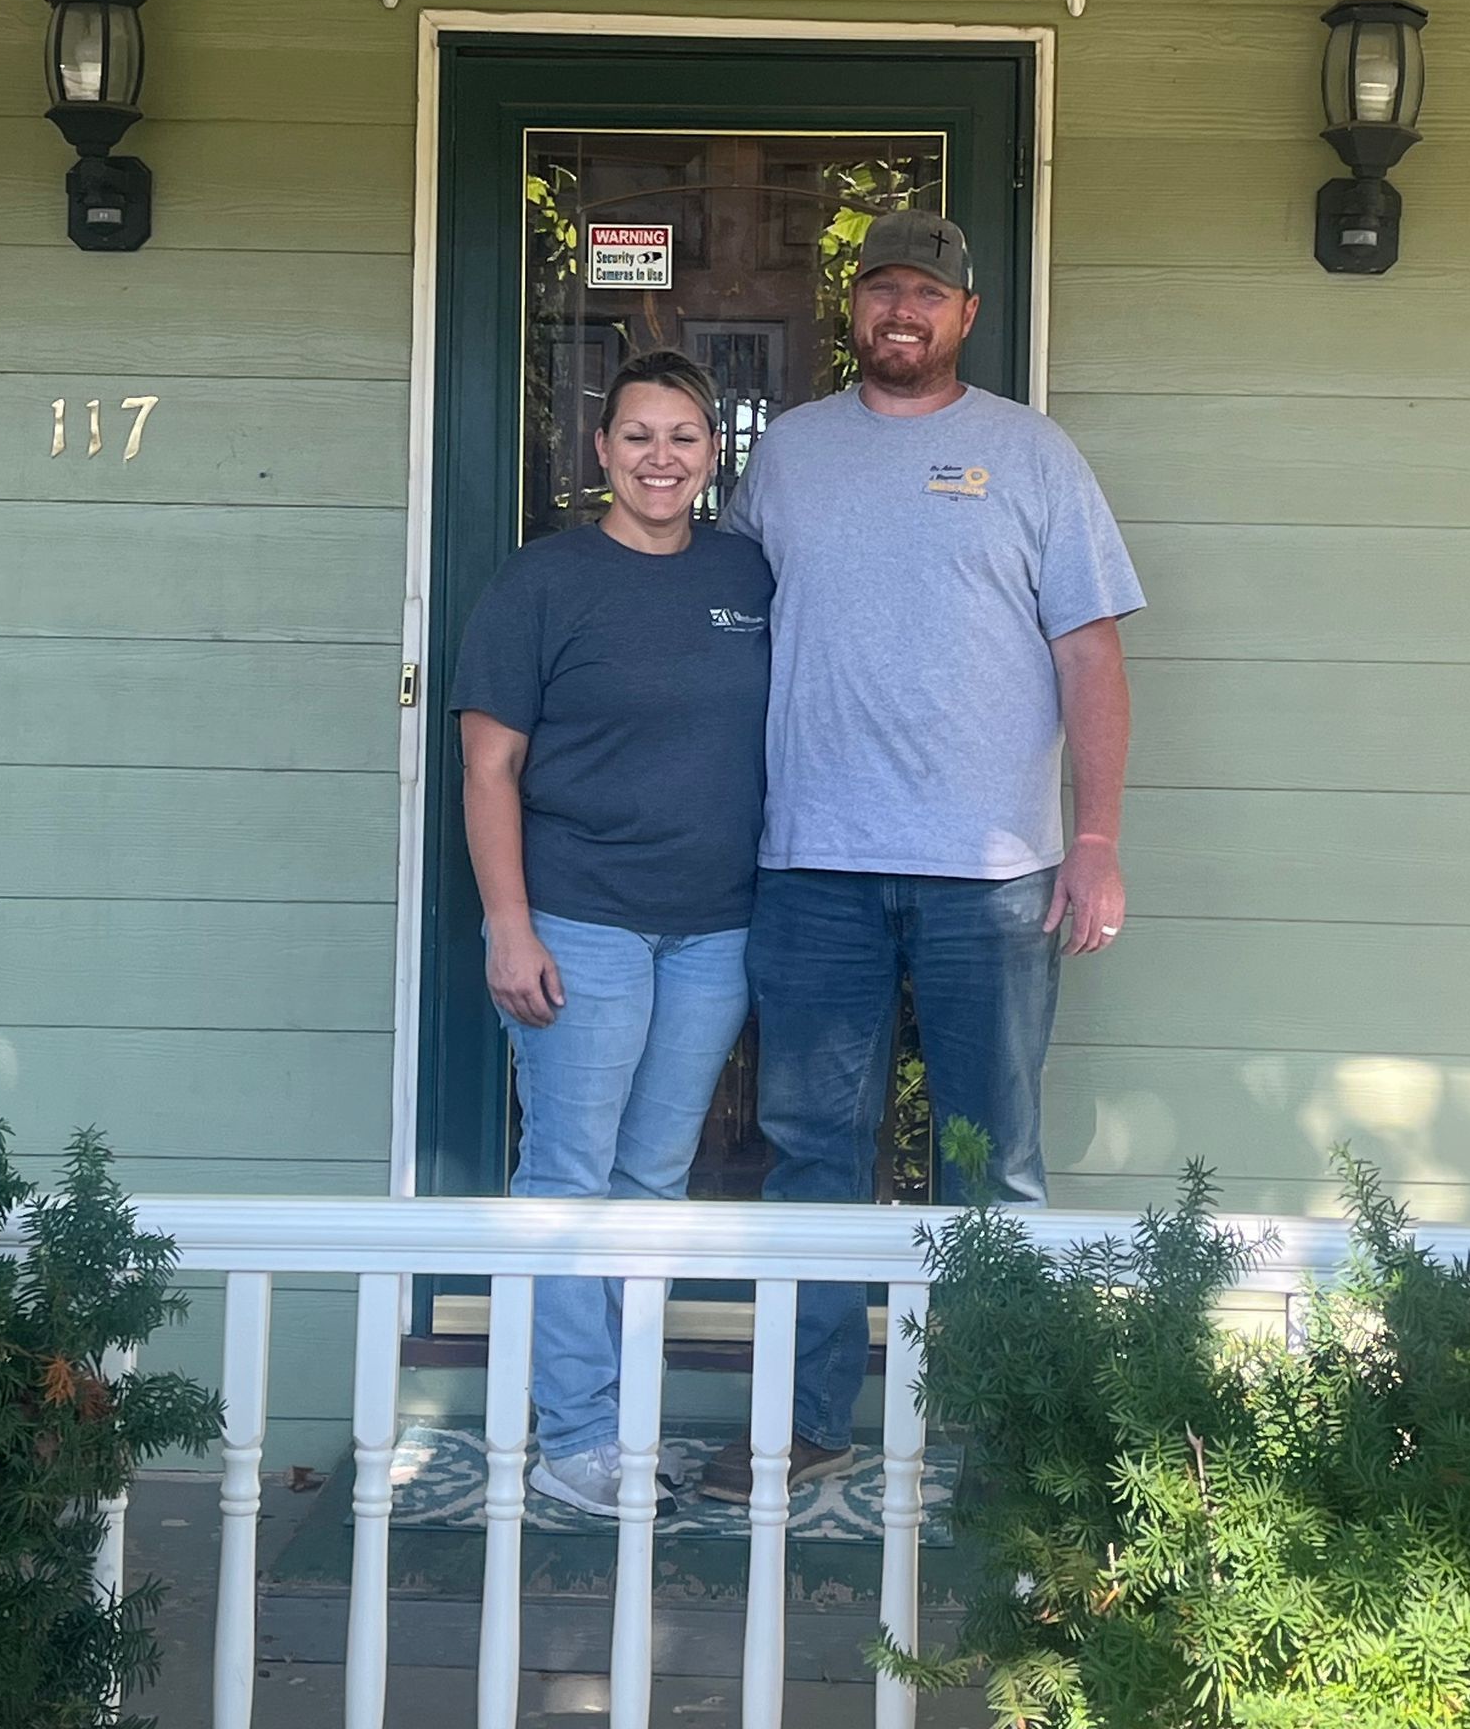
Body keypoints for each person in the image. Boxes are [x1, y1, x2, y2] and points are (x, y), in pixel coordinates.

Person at [699, 209, 1142, 1502]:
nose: (902, 312)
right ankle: (802, 1424)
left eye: (926, 294)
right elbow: (718, 632)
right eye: (881, 290)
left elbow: (1090, 656)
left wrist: (1098, 839)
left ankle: (1000, 1433)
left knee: (989, 1160)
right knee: (812, 1154)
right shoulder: (786, 457)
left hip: (994, 873)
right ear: (856, 308)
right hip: (815, 866)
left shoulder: (1032, 456)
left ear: (965, 315)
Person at [453, 348, 772, 1518]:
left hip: (716, 930)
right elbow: (489, 763)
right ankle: (571, 1436)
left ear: (712, 452)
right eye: (639, 434)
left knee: (651, 1180)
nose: (661, 456)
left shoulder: (747, 573)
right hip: (579, 922)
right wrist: (508, 923)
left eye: (684, 436)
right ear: (601, 451)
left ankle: (621, 1433)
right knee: (571, 1174)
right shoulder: (543, 583)